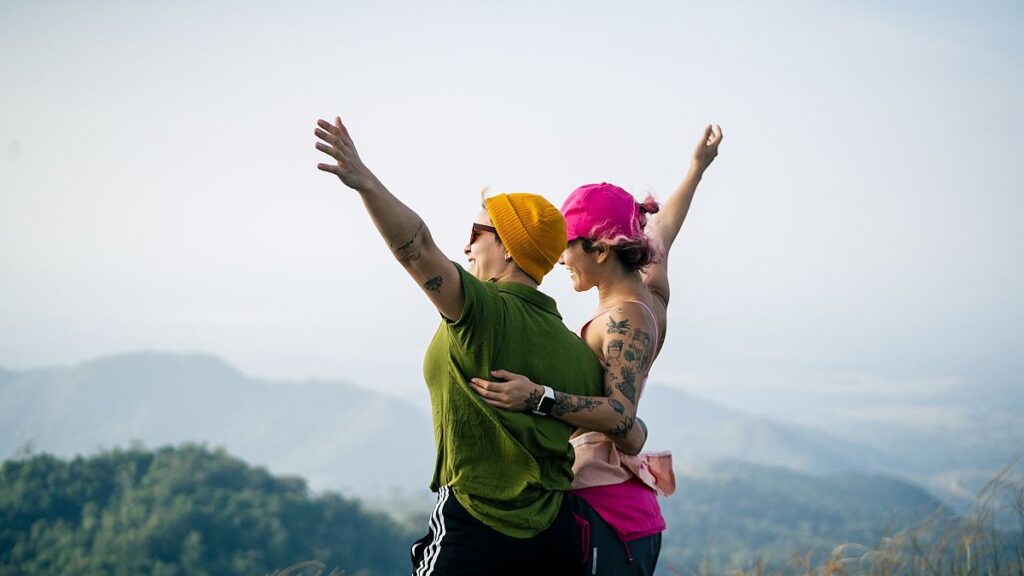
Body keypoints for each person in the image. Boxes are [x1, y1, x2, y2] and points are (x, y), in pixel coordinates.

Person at [314, 116, 613, 576]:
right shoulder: (577, 352)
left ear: (510, 250)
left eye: (477, 233)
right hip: (554, 538)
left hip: (476, 529)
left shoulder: (482, 312)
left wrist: (365, 183)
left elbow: (416, 249)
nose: (467, 245)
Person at [470, 124, 724, 575]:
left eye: (569, 246)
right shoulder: (650, 290)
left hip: (603, 508)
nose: (562, 258)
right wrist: (695, 170)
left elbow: (623, 418)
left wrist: (537, 397)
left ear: (602, 250)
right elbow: (664, 227)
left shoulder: (625, 318)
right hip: (619, 510)